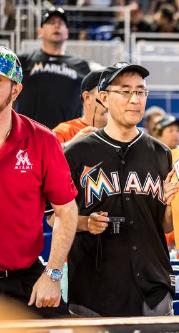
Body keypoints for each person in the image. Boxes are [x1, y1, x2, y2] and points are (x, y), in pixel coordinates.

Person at [63, 62, 178, 317]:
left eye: (141, 92)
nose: (134, 99)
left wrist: (171, 204)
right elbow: (54, 217)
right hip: (94, 289)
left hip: (152, 287)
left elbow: (166, 225)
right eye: (125, 91)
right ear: (103, 97)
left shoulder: (162, 154)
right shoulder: (76, 153)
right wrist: (85, 223)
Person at [0, 45, 78, 318]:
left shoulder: (42, 141)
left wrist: (53, 274)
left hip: (25, 278)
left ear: (15, 90)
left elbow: (66, 211)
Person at [16, 7, 90, 129]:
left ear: (67, 33)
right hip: (29, 134)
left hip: (67, 139)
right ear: (40, 31)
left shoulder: (81, 65)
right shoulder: (23, 61)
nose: (56, 26)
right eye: (51, 22)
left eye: (61, 23)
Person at [52, 70, 107, 146]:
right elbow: (46, 155)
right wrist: (72, 145)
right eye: (104, 93)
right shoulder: (64, 131)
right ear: (87, 97)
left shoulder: (124, 133)